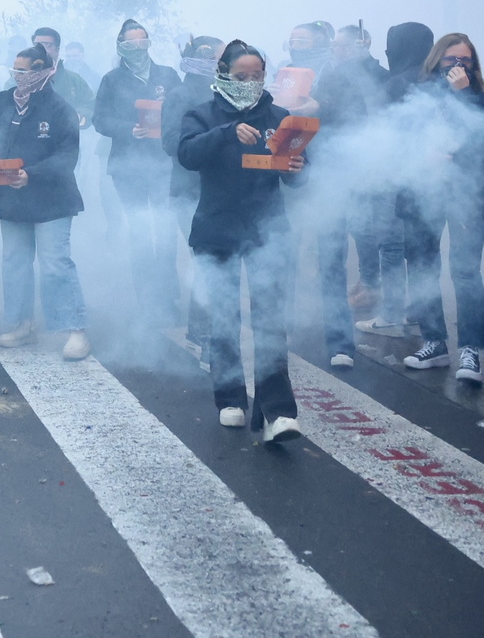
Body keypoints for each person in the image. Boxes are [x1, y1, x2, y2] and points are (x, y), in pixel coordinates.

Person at [177, 40, 305, 444]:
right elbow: (186, 155)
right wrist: (227, 133)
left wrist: (297, 167)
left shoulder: (280, 118)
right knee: (223, 317)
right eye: (241, 76)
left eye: (257, 76)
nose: (250, 82)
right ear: (223, 75)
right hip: (217, 229)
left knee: (270, 319)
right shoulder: (202, 114)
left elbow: (298, 177)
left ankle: (278, 410)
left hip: (267, 231)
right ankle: (230, 397)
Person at [398, 35, 484, 385]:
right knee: (423, 267)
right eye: (451, 60)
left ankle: (471, 350)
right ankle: (434, 342)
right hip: (422, 192)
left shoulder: (483, 100)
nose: (458, 66)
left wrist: (464, 96)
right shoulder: (417, 95)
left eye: (465, 60)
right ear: (436, 61)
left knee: (465, 271)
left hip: (465, 195)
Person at [0, 46, 90, 358]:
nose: (17, 76)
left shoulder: (61, 109)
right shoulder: (8, 105)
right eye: (15, 71)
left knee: (55, 264)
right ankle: (24, 324)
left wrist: (31, 174)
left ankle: (75, 330)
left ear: (42, 72)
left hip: (52, 201)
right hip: (12, 197)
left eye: (23, 71)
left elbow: (67, 157)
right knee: (15, 263)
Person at [310, 24, 397, 350]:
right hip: (334, 161)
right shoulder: (332, 73)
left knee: (367, 227)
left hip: (364, 161)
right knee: (344, 227)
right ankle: (362, 284)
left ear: (362, 44)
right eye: (335, 47)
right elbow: (322, 106)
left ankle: (371, 284)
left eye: (343, 46)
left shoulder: (377, 74)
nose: (337, 51)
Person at [93, 19, 181, 324]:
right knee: (141, 232)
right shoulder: (111, 80)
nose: (138, 49)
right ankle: (147, 300)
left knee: (166, 230)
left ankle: (168, 296)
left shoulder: (167, 75)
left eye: (143, 42)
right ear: (121, 47)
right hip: (128, 168)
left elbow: (183, 112)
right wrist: (128, 129)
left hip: (163, 164)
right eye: (131, 44)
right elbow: (100, 120)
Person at [162, 36, 223, 352]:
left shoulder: (224, 92)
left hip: (222, 189)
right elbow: (171, 143)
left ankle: (207, 328)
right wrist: (218, 140)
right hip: (189, 192)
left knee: (216, 259)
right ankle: (203, 331)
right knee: (207, 259)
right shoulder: (181, 95)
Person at [31, 27, 94, 128]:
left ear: (57, 49)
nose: (41, 50)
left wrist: (79, 116)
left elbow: (90, 105)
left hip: (66, 136)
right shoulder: (19, 80)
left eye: (47, 45)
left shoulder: (74, 80)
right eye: (37, 45)